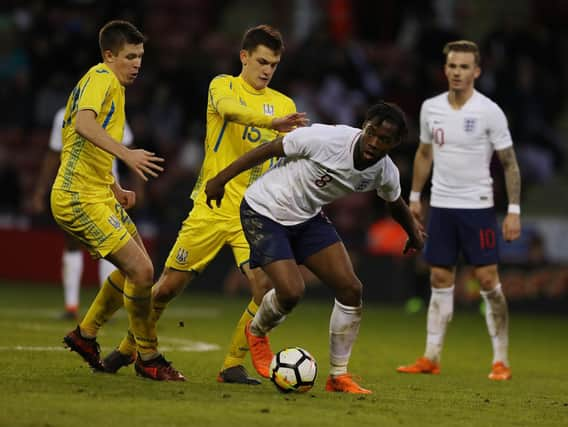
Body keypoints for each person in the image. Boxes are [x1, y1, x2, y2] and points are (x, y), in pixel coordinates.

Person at [102, 24, 308, 384]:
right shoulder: (222, 86)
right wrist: (272, 122)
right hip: (211, 208)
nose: (266, 70)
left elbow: (285, 157)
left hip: (254, 214)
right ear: (244, 57)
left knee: (265, 288)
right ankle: (130, 347)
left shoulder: (285, 104)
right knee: (165, 288)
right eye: (261, 61)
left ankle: (232, 363)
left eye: (273, 65)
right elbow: (231, 112)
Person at [205, 101, 426, 394]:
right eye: (371, 132)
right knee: (292, 291)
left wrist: (413, 232)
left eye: (384, 139)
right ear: (364, 126)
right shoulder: (325, 139)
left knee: (350, 289)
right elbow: (269, 149)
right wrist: (220, 180)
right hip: (264, 210)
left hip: (307, 218)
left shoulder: (385, 172)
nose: (373, 142)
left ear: (396, 143)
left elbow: (394, 203)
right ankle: (256, 332)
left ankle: (338, 376)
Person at [54, 20, 184, 381]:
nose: (137, 63)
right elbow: (83, 125)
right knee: (141, 272)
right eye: (129, 56)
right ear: (109, 55)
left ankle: (86, 334)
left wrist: (113, 186)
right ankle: (148, 356)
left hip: (96, 192)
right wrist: (126, 155)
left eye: (140, 56)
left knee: (139, 267)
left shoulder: (109, 84)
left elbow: (81, 147)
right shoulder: (102, 79)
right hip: (77, 196)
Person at [396, 40, 521, 381]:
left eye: (464, 67)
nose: (457, 72)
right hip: (442, 206)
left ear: (476, 71)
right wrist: (416, 196)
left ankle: (501, 360)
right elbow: (424, 154)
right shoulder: (431, 108)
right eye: (452, 66)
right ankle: (430, 357)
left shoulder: (489, 111)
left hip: (478, 207)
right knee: (439, 277)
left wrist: (513, 210)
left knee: (486, 279)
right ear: (445, 69)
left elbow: (509, 163)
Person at [31, 107, 137, 320]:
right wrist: (41, 190)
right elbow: (54, 153)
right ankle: (71, 305)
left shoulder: (114, 112)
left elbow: (129, 150)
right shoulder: (64, 115)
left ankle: (106, 307)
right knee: (75, 243)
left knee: (111, 244)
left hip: (107, 190)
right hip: (75, 188)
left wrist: (136, 185)